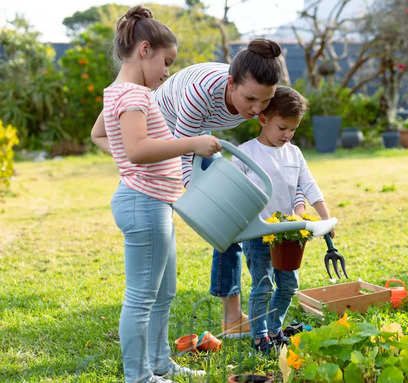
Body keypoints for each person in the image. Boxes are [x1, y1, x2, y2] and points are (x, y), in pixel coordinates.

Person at [92, 39, 288, 338]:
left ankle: (231, 317)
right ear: (230, 83)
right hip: (164, 132)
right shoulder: (201, 91)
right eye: (250, 99)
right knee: (223, 221)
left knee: (233, 222)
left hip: (199, 135)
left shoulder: (259, 92)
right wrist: (198, 199)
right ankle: (225, 315)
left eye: (265, 100)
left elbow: (281, 119)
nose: (257, 108)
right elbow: (183, 152)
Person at [93, 6, 220, 383]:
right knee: (142, 298)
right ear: (144, 49)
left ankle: (160, 362)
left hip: (154, 203)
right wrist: (192, 143)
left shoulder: (119, 92)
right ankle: (139, 377)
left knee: (164, 293)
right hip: (143, 204)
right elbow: (137, 150)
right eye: (166, 62)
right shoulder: (133, 96)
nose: (167, 73)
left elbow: (101, 136)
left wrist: (128, 157)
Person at [233, 86, 333, 354]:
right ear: (263, 119)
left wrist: (326, 218)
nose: (288, 135)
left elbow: (309, 186)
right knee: (262, 285)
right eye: (282, 128)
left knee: (289, 285)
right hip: (257, 233)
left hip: (287, 234)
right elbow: (232, 193)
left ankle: (274, 329)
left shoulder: (294, 153)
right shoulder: (245, 154)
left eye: (293, 129)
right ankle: (260, 337)